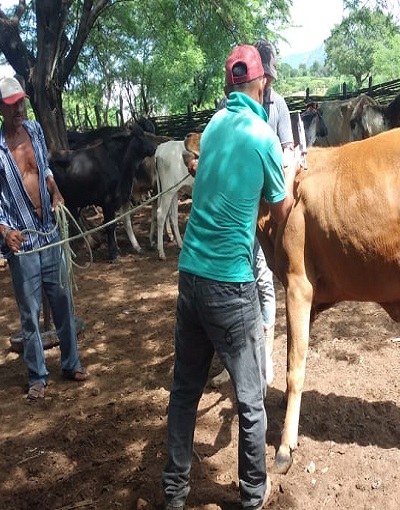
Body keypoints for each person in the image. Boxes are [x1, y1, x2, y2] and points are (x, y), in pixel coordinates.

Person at [162, 45, 297, 510]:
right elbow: (281, 211)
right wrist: (290, 174)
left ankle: (175, 494)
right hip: (230, 283)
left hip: (190, 276)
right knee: (251, 400)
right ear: (261, 84)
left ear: (228, 86)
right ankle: (253, 496)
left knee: (184, 391)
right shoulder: (262, 136)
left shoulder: (215, 126)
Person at [0, 76, 88, 401]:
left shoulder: (36, 131)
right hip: (23, 241)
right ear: (0, 108)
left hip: (49, 234)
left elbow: (44, 170)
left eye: (21, 102)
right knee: (29, 313)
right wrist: (4, 230)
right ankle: (37, 376)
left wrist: (55, 192)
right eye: (12, 105)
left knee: (62, 302)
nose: (19, 109)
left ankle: (71, 363)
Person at [210, 39, 294, 389]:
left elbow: (288, 149)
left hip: (266, 208)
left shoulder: (278, 108)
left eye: (270, 77)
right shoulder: (227, 114)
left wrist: (287, 170)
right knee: (248, 279)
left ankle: (265, 356)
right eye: (265, 78)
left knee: (265, 282)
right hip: (244, 210)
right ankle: (240, 357)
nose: (268, 84)